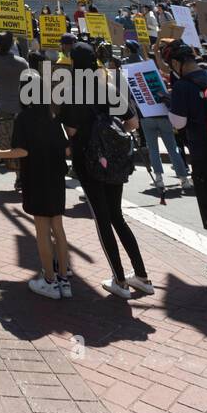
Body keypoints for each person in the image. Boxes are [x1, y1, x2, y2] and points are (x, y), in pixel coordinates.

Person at [61, 42, 153, 298]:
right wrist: (110, 135)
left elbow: (71, 132)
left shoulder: (71, 92)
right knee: (117, 216)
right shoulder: (109, 88)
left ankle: (120, 280)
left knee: (102, 219)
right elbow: (132, 123)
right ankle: (142, 276)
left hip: (88, 161)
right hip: (115, 159)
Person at [0, 95, 71, 299]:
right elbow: (67, 148)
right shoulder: (54, 116)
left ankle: (49, 281)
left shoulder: (24, 118)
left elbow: (22, 151)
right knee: (58, 229)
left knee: (42, 230)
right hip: (56, 177)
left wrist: (0, 154)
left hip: (36, 177)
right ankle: (64, 279)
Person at [165, 43, 207, 248]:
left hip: (203, 153)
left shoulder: (182, 86)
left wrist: (168, 102)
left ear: (177, 63)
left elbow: (178, 123)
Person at [0, 31, 30, 160]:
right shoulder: (22, 63)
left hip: (3, 104)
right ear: (11, 44)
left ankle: (11, 163)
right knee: (22, 138)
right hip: (22, 105)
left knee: (7, 137)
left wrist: (0, 84)